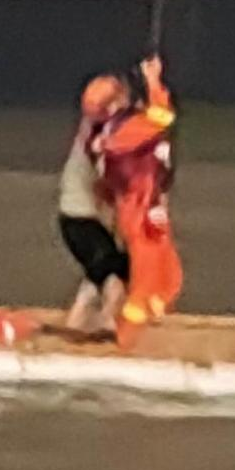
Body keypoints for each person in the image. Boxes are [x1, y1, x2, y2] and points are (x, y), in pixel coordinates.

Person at [86, 54, 182, 349]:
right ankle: (125, 338)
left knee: (169, 276)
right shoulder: (126, 131)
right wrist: (153, 80)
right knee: (148, 279)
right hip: (140, 209)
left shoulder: (105, 135)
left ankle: (148, 313)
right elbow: (162, 116)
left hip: (140, 206)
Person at [56, 68, 138, 334]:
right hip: (82, 217)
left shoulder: (97, 130)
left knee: (101, 268)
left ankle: (77, 318)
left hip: (79, 215)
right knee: (114, 270)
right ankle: (108, 320)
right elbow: (105, 181)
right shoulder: (102, 137)